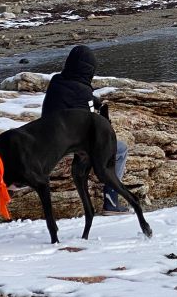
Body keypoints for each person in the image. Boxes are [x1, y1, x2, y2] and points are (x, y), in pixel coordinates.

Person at [41, 44, 131, 215]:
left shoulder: (56, 81)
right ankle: (111, 201)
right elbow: (90, 126)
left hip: (48, 135)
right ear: (89, 70)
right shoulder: (82, 91)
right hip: (69, 143)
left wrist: (92, 100)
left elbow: (70, 97)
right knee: (120, 149)